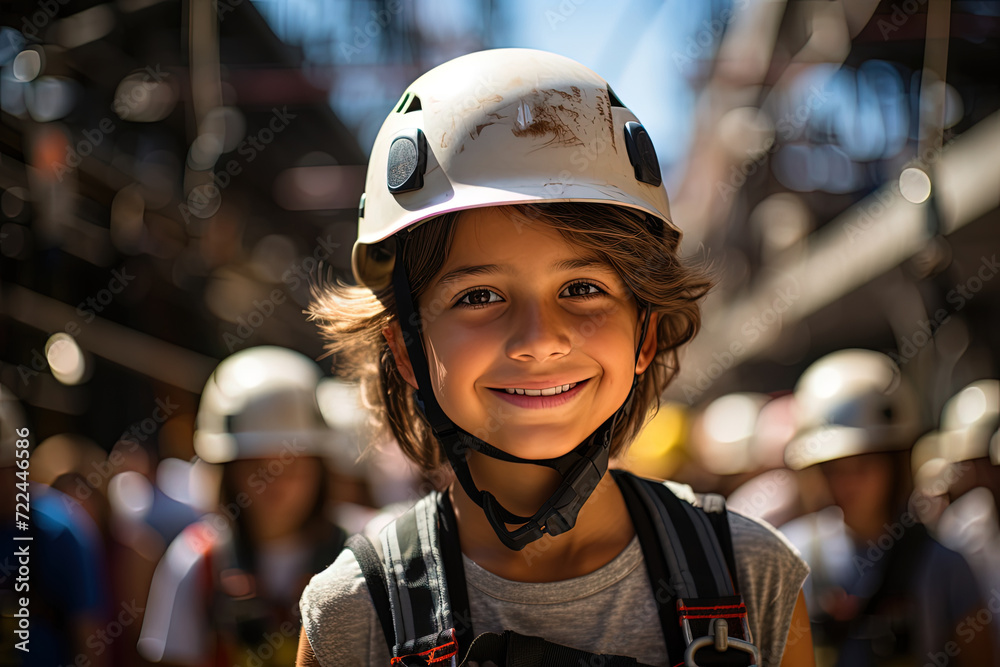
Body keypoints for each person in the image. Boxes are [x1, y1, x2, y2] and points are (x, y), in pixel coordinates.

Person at [296, 48, 814, 667]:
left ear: (644, 334)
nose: (539, 340)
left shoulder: (751, 578)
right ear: (405, 349)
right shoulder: (356, 611)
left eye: (582, 289)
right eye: (479, 296)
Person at [138, 347, 357, 667]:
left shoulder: (363, 552)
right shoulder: (195, 562)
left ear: (321, 470)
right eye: (256, 467)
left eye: (292, 466)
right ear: (227, 473)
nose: (276, 486)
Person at [781, 350, 994, 666]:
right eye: (833, 469)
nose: (846, 484)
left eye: (863, 466)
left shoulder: (945, 564)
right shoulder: (791, 558)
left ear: (896, 465)